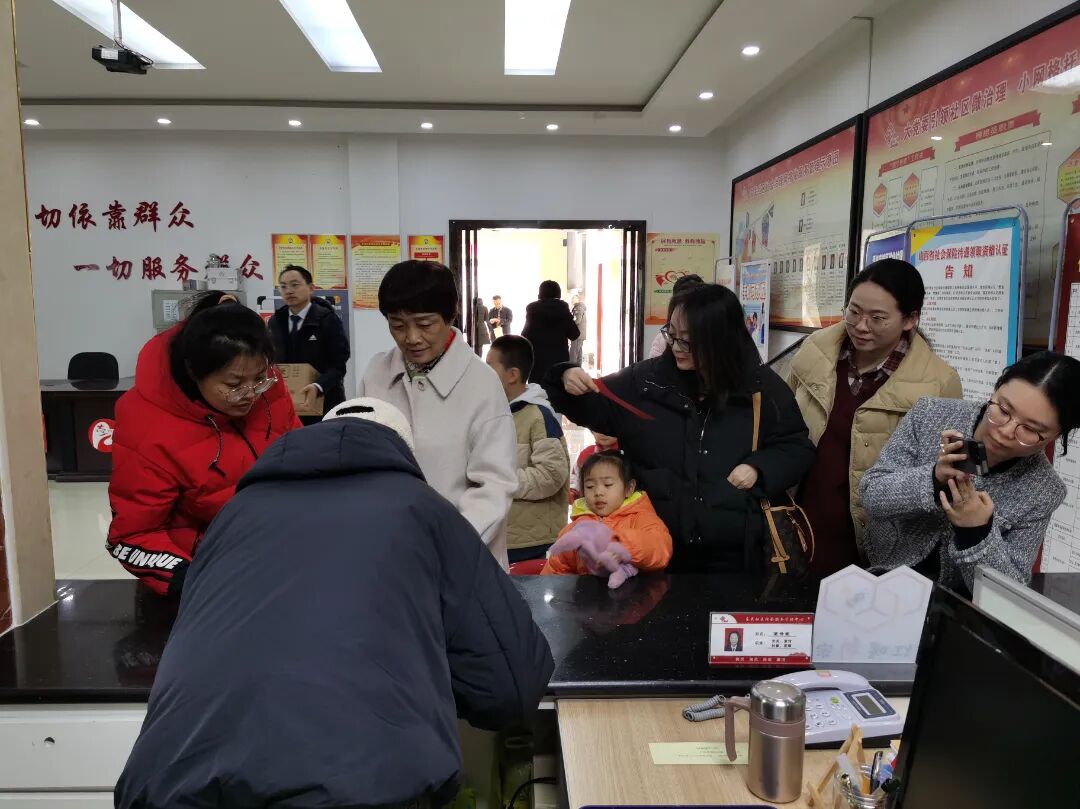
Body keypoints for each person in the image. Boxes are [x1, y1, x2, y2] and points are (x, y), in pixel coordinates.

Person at [114, 399, 554, 809]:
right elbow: (509, 687)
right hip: (363, 784)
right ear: (403, 453)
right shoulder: (422, 507)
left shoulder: (234, 513)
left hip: (171, 782)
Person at [545, 283, 815, 573]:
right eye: (672, 335)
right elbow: (591, 404)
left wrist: (759, 468)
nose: (675, 347)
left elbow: (797, 447)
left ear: (720, 339)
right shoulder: (645, 384)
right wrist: (564, 377)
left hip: (737, 559)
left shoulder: (760, 389)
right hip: (650, 554)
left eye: (688, 341)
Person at [107, 292, 300, 595]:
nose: (250, 394)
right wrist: (193, 581)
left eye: (261, 378)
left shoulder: (266, 389)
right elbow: (133, 535)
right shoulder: (148, 426)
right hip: (203, 577)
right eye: (233, 385)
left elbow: (299, 454)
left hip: (275, 558)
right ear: (194, 372)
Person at [788, 259, 963, 577]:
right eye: (854, 312)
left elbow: (936, 476)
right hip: (799, 522)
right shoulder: (815, 351)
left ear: (910, 319)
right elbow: (783, 425)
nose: (861, 326)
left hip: (873, 542)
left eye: (877, 318)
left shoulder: (939, 383)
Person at [860, 351, 1080, 592]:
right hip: (878, 572)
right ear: (995, 391)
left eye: (1030, 429)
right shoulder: (931, 413)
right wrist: (933, 479)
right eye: (1003, 410)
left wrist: (977, 532)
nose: (1005, 431)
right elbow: (871, 495)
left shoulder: (1044, 490)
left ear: (1056, 436)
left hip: (951, 600)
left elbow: (1010, 589)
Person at [360, 261, 518, 568]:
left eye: (425, 324)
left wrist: (443, 545)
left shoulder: (481, 384)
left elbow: (494, 485)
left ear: (450, 315)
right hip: (389, 550)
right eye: (398, 325)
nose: (411, 337)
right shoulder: (376, 374)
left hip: (461, 556)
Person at [487, 335, 570, 563]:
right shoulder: (494, 412)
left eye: (489, 367)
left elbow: (552, 475)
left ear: (513, 374)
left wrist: (502, 480)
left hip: (530, 541)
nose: (483, 374)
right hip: (501, 533)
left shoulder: (538, 416)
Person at [543, 450, 672, 577]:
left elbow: (661, 548)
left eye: (607, 484)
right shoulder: (576, 528)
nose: (598, 492)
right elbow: (555, 570)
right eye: (590, 486)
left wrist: (624, 545)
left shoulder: (641, 517)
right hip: (589, 591)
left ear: (629, 488)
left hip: (637, 590)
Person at [269, 265, 351, 425]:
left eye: (295, 285)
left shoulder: (327, 319)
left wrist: (318, 386)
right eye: (283, 286)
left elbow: (338, 365)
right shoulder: (275, 321)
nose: (289, 291)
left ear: (311, 288)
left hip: (324, 401)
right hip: (289, 403)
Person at [521, 280, 580, 383]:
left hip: (537, 362)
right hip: (559, 363)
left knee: (537, 390)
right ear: (558, 293)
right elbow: (574, 334)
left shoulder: (532, 309)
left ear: (540, 293)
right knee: (557, 390)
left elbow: (525, 334)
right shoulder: (563, 308)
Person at [648, 273, 704, 359]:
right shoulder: (662, 339)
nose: (677, 348)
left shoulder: (708, 337)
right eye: (673, 335)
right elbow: (653, 364)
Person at [568, 430, 619, 503]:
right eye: (598, 428)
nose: (603, 433)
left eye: (609, 427)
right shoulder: (586, 454)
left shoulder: (628, 453)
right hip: (590, 505)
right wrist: (573, 492)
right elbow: (576, 478)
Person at [570, 294, 587, 366]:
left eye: (574, 298)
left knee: (574, 353)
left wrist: (570, 323)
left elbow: (577, 321)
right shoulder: (580, 307)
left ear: (578, 299)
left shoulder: (578, 308)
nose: (572, 300)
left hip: (577, 334)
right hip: (580, 334)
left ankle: (572, 368)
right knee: (579, 352)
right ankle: (578, 368)